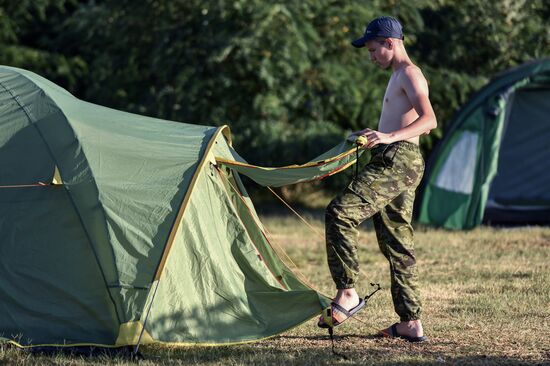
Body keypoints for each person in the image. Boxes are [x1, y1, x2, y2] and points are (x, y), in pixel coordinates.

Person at [317, 16, 437, 343]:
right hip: (397, 156)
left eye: (373, 50)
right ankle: (410, 323)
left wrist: (387, 137)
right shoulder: (397, 75)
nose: (371, 57)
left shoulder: (410, 73)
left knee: (339, 212)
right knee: (397, 244)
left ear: (390, 43)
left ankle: (347, 293)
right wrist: (372, 136)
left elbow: (429, 120)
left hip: (399, 158)